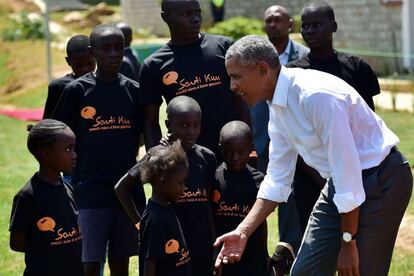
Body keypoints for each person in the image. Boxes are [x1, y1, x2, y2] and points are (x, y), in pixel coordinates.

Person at [213, 35, 413, 276]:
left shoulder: (316, 96)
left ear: (262, 69)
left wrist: (347, 242)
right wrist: (243, 231)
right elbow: (277, 179)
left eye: (236, 77)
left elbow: (348, 173)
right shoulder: (276, 104)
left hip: (381, 178)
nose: (232, 86)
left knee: (358, 271)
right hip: (339, 184)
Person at [53, 24, 145, 276]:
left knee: (120, 263)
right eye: (106, 49)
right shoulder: (76, 91)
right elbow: (59, 135)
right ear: (93, 52)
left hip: (125, 193)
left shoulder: (133, 91)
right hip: (88, 192)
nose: (114, 54)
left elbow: (141, 136)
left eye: (119, 48)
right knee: (90, 264)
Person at [287, 0, 382, 234]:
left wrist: (349, 173)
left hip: (355, 171)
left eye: (317, 24)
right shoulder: (293, 73)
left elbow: (367, 123)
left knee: (354, 237)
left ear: (334, 26)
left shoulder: (356, 67)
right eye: (305, 26)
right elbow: (291, 132)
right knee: (314, 239)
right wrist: (321, 177)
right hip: (310, 176)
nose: (310, 31)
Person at [116, 95, 217, 276]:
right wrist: (140, 224)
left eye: (196, 124)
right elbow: (122, 188)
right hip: (168, 249)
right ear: (168, 124)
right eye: (184, 125)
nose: (191, 131)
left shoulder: (206, 157)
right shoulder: (159, 156)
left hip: (201, 244)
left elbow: (209, 203)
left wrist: (213, 240)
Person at [140, 0, 249, 159]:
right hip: (187, 160)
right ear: (166, 17)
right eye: (186, 14)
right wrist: (157, 161)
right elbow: (150, 122)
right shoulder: (154, 65)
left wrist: (248, 145)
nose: (195, 19)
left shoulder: (224, 47)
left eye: (197, 12)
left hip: (231, 154)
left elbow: (241, 101)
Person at [250, 5, 309, 273]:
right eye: (268, 20)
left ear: (290, 24)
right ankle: (255, 256)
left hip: (296, 143)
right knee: (259, 199)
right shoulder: (253, 58)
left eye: (278, 19)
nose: (273, 24)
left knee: (291, 204)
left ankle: (288, 254)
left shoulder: (305, 56)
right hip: (260, 141)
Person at [9, 119, 83, 275]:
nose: (75, 155)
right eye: (68, 149)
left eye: (74, 148)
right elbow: (16, 243)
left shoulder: (68, 188)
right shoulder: (28, 196)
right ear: (46, 155)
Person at [212, 120, 268, 276]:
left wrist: (265, 254)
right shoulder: (214, 178)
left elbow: (261, 221)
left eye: (240, 151)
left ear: (250, 148)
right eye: (229, 152)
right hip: (223, 253)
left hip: (252, 256)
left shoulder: (259, 181)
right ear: (220, 149)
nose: (235, 157)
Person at [137, 141, 192, 276]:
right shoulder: (155, 219)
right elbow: (150, 264)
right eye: (180, 182)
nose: (184, 188)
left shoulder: (166, 208)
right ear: (163, 181)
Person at [43, 35, 95, 119]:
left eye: (89, 64)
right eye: (79, 65)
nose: (85, 69)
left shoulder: (102, 83)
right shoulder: (59, 87)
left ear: (96, 57)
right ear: (68, 61)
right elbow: (50, 122)